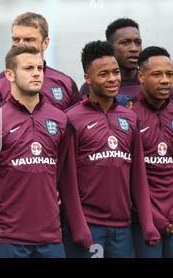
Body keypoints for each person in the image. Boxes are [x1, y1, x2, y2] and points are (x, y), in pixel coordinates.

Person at [0, 44, 93, 258]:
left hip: (50, 240)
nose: (36, 73)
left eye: (39, 68)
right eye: (28, 68)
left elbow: (64, 178)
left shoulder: (60, 120)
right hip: (4, 240)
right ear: (9, 74)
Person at [63, 40, 160, 258]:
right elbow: (67, 180)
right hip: (88, 227)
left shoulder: (129, 117)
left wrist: (147, 223)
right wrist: (79, 227)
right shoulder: (71, 119)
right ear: (87, 79)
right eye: (104, 74)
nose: (113, 79)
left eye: (115, 72)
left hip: (123, 229)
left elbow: (138, 175)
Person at [0, 12, 81, 112]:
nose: (21, 45)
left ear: (45, 43)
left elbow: (75, 125)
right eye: (16, 40)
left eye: (28, 40)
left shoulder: (65, 84)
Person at [132, 46, 173, 258]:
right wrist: (156, 218)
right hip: (144, 221)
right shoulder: (130, 117)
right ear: (141, 76)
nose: (165, 80)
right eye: (157, 74)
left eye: (169, 74)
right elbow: (128, 177)